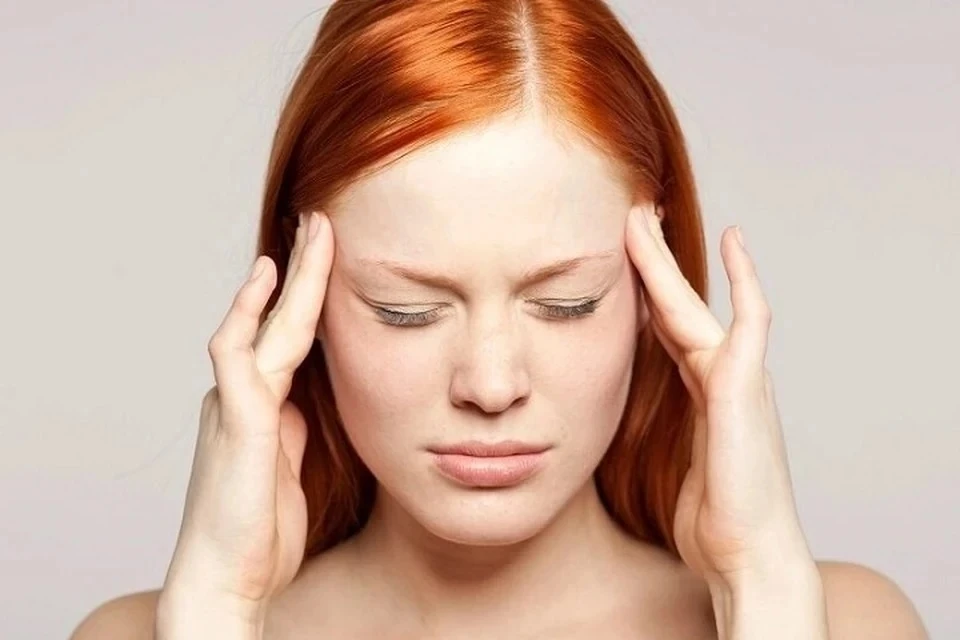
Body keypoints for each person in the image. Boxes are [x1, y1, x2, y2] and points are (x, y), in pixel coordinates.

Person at [72, 0, 928, 638]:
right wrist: (219, 608)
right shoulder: (146, 632)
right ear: (306, 299)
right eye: (406, 311)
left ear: (652, 291)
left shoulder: (845, 623)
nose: (491, 385)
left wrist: (761, 588)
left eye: (566, 303)